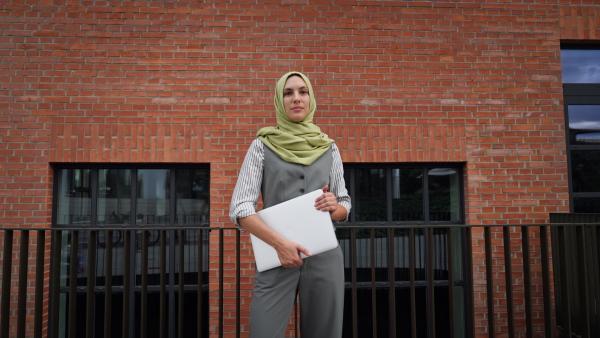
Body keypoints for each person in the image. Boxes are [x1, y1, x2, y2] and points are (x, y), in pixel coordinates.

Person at [229, 71, 351, 338]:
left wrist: (334, 207)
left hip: (325, 258)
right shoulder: (261, 146)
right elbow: (240, 208)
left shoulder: (329, 148)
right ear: (279, 100)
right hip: (276, 257)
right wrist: (280, 245)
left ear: (311, 99)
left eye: (302, 91)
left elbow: (344, 205)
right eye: (288, 93)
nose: (296, 98)